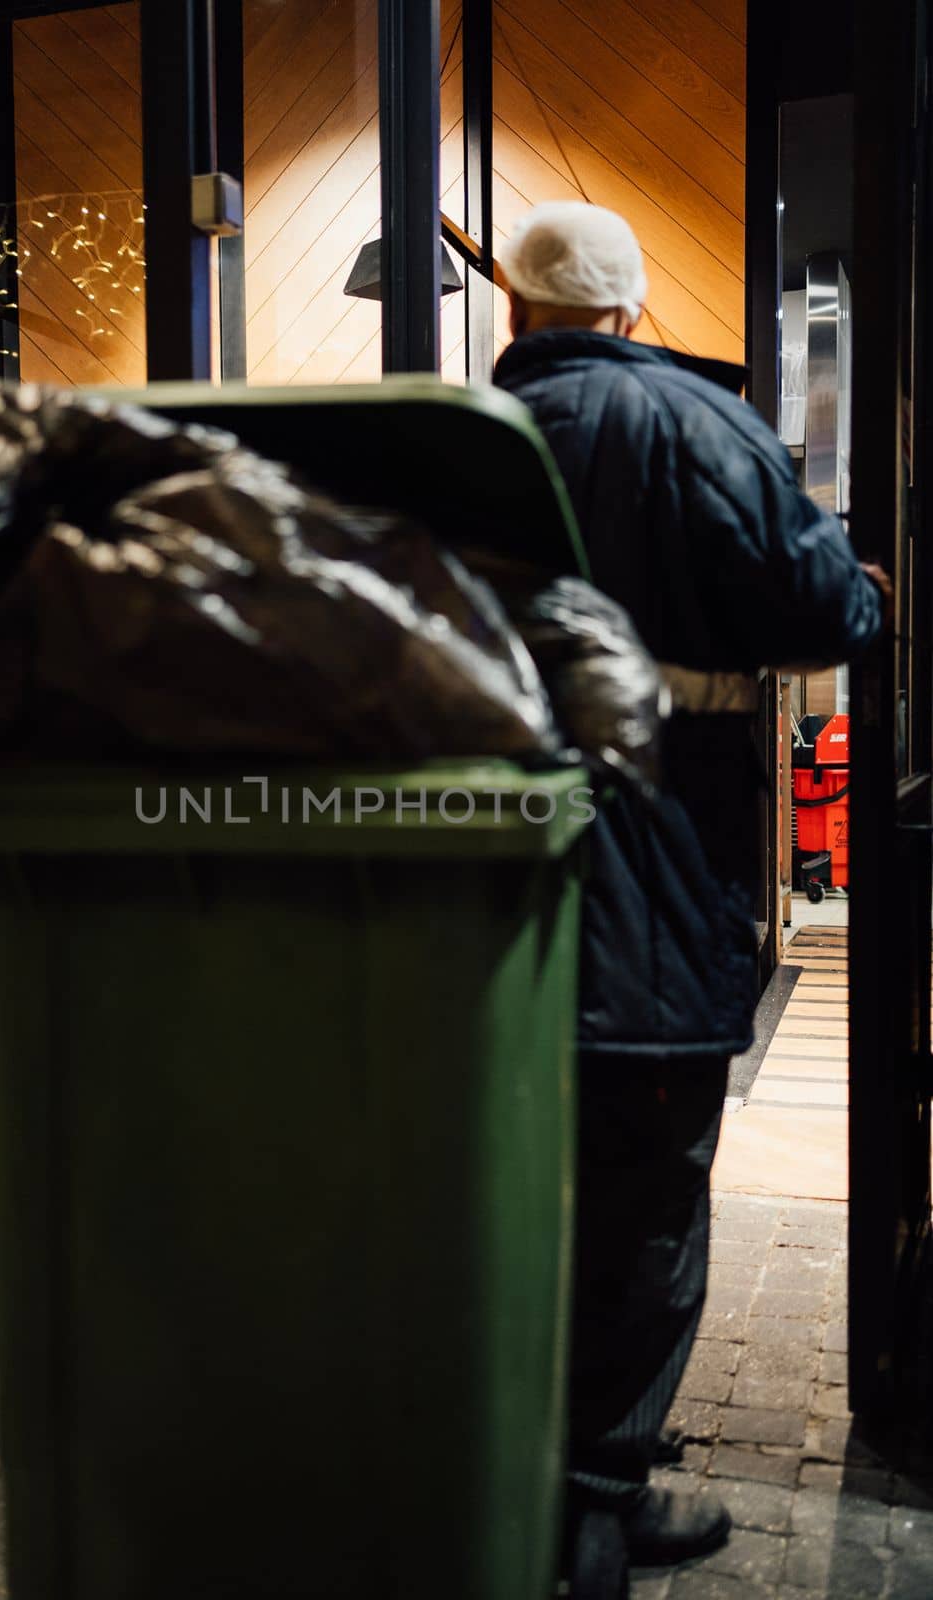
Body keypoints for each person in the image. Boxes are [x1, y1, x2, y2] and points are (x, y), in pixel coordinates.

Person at [494, 201, 888, 1568]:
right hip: (657, 886)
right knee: (645, 1198)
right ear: (630, 308)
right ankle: (595, 1509)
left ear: (514, 310)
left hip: (469, 898)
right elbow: (826, 608)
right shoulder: (695, 425)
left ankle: (483, 1462)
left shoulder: (448, 443)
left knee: (500, 1184)